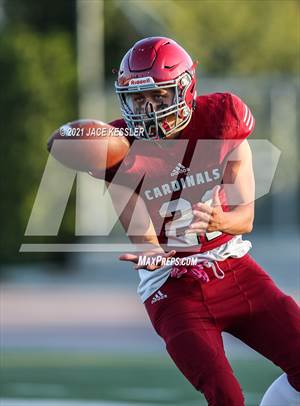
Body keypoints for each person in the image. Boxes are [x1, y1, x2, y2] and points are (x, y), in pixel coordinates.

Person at [92, 37, 300, 405]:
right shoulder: (119, 147)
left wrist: (221, 218)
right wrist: (154, 253)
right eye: (139, 99)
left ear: (185, 89)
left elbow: (244, 218)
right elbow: (143, 238)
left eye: (158, 95)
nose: (148, 109)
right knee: (226, 395)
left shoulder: (222, 119)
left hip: (232, 267)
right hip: (172, 289)